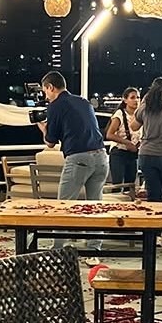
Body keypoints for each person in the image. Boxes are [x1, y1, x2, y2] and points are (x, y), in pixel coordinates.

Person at [37, 70, 109, 254]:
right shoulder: (83, 101)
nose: (46, 96)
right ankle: (94, 249)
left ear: (50, 87)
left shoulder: (55, 106)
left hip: (79, 158)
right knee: (95, 206)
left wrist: (43, 128)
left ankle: (57, 250)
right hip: (101, 156)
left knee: (64, 206)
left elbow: (50, 142)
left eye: (45, 91)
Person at [106, 87, 141, 192]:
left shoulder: (139, 115)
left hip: (133, 154)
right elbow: (109, 134)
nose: (136, 100)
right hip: (119, 152)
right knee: (118, 185)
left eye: (138, 97)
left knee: (130, 186)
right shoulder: (120, 114)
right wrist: (126, 142)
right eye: (132, 98)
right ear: (125, 100)